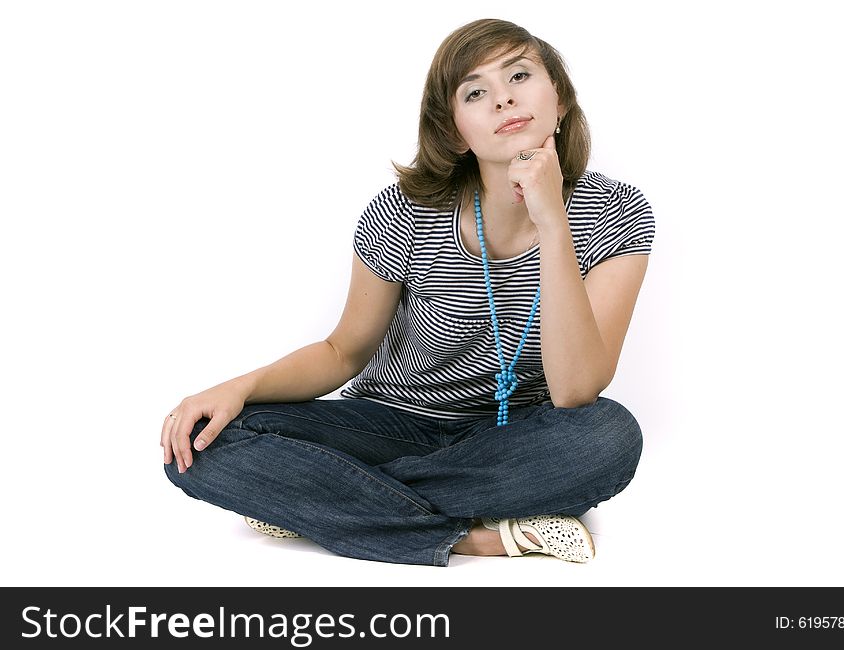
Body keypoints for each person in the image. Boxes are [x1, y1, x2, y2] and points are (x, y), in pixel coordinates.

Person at [161, 18, 655, 567]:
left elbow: (575, 391)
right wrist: (241, 386)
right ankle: (472, 535)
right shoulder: (402, 210)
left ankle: (321, 501)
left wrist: (552, 221)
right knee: (201, 447)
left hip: (511, 438)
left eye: (519, 75)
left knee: (608, 437)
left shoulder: (619, 214)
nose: (504, 99)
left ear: (559, 101)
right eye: (475, 92)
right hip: (390, 422)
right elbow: (342, 351)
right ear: (454, 131)